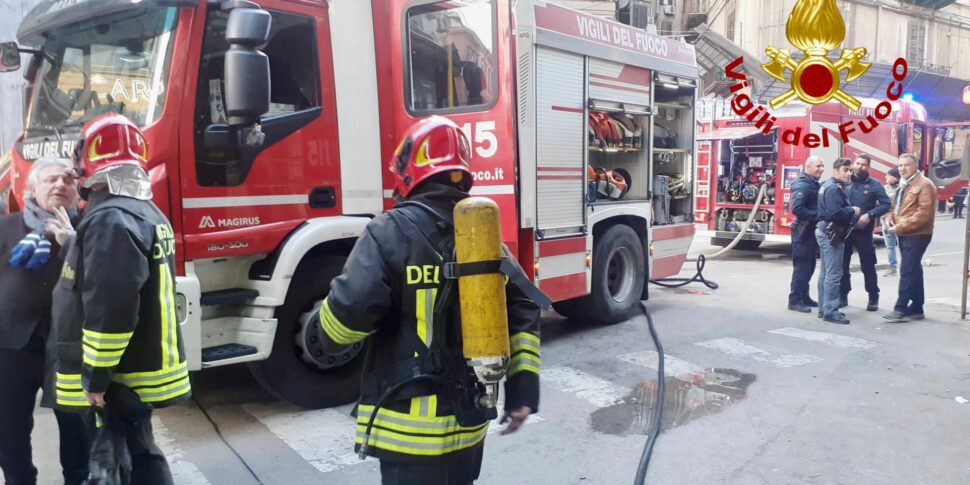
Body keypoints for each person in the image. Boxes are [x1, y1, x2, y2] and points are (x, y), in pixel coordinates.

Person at [315, 117, 542, 484]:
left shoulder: (387, 231)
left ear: (408, 171)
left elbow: (349, 314)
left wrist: (321, 333)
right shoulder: (482, 236)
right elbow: (523, 311)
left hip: (409, 437)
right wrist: (523, 391)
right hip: (469, 425)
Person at [51, 113, 191, 484]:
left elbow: (111, 310)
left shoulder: (111, 219)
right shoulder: (142, 211)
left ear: (86, 163)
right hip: (134, 368)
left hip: (119, 376)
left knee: (131, 458)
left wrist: (96, 378)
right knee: (138, 448)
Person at [0, 158, 89, 485]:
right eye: (51, 179)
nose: (60, 185)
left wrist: (73, 245)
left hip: (68, 347)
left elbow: (99, 284)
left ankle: (77, 480)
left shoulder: (89, 229)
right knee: (8, 428)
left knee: (76, 426)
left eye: (68, 180)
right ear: (31, 189)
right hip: (11, 347)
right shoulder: (6, 227)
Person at [884, 153, 937, 323]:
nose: (902, 168)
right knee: (914, 269)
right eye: (900, 165)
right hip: (905, 232)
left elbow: (924, 214)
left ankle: (900, 308)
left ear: (915, 166)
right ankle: (916, 308)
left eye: (906, 165)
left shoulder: (925, 185)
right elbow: (895, 206)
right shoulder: (904, 184)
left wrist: (899, 226)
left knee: (907, 270)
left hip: (917, 234)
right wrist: (889, 217)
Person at [839, 154, 890, 311]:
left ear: (868, 167)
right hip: (845, 230)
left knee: (868, 266)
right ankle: (842, 295)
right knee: (842, 265)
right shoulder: (844, 182)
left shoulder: (875, 184)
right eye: (857, 163)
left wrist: (870, 215)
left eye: (863, 164)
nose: (859, 167)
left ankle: (873, 297)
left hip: (863, 233)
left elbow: (886, 204)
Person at [815, 158, 861, 325]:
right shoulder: (834, 188)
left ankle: (823, 308)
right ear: (835, 171)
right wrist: (852, 210)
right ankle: (830, 311)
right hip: (831, 233)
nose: (849, 173)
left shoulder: (827, 185)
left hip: (824, 230)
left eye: (850, 170)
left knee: (826, 273)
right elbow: (835, 213)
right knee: (833, 274)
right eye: (845, 170)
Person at [788, 156, 824, 313]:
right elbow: (797, 209)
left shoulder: (812, 183)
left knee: (809, 266)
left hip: (809, 232)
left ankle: (804, 296)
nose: (821, 168)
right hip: (802, 232)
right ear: (808, 167)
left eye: (822, 166)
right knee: (801, 267)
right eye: (818, 166)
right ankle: (795, 300)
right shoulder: (803, 185)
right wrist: (820, 215)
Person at [882, 168, 901, 277]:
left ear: (895, 177)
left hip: (900, 221)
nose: (886, 177)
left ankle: (906, 267)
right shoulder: (884, 188)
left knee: (903, 245)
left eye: (888, 175)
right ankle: (892, 267)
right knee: (890, 246)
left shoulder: (903, 188)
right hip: (886, 221)